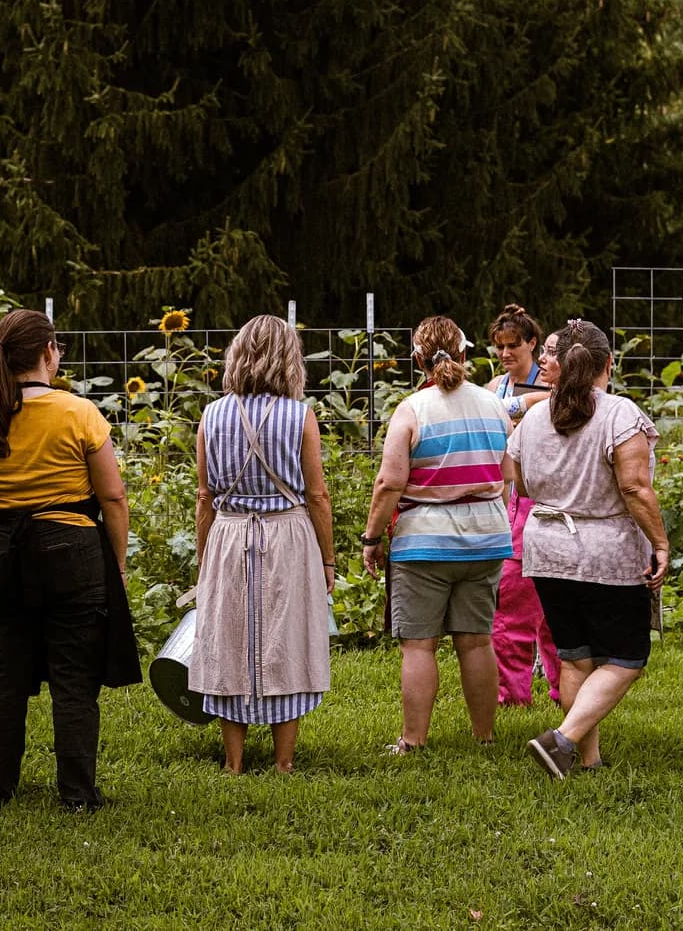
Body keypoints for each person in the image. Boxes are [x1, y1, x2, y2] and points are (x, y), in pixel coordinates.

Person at [0, 309, 140, 811]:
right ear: (46, 353)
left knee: (2, 678)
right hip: (70, 550)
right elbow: (113, 498)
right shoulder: (78, 413)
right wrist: (116, 564)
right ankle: (77, 793)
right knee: (74, 679)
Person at [508, 319, 668, 778]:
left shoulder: (536, 415)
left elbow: (516, 476)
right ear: (608, 364)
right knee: (626, 659)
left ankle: (587, 759)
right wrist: (659, 543)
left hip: (546, 548)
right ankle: (561, 740)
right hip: (606, 552)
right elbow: (635, 487)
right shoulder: (619, 414)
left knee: (576, 656)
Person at [188, 315, 334, 774]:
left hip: (229, 532)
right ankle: (283, 762)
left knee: (229, 637)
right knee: (285, 637)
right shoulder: (300, 416)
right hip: (287, 533)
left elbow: (205, 496)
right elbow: (317, 495)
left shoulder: (212, 415)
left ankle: (233, 762)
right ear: (289, 360)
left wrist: (203, 555)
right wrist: (328, 559)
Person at [362, 315, 511, 753]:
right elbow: (506, 476)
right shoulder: (493, 405)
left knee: (419, 646)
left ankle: (413, 740)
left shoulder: (411, 410)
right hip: (486, 537)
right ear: (465, 354)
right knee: (477, 640)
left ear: (417, 360)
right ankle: (484, 736)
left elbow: (389, 482)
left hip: (424, 541)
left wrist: (372, 538)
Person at [484, 305, 560, 708]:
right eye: (500, 346)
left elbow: (538, 405)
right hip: (507, 500)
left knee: (552, 607)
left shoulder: (547, 388)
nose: (506, 353)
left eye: (514, 345)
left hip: (542, 498)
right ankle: (511, 695)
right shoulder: (496, 385)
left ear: (533, 344)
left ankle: (563, 688)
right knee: (510, 601)